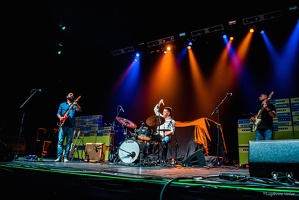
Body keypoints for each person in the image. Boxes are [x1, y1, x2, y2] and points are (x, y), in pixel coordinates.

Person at [55, 92, 82, 162]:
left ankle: (65, 157)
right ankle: (59, 157)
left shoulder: (74, 105)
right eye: (70, 94)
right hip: (63, 125)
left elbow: (80, 110)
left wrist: (77, 105)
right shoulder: (62, 104)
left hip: (71, 126)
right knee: (60, 141)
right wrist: (60, 117)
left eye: (73, 95)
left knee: (68, 142)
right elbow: (58, 113)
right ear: (67, 96)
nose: (72, 95)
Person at [152, 99, 175, 163]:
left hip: (166, 136)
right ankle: (149, 158)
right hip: (158, 135)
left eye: (164, 112)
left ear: (168, 113)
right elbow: (155, 110)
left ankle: (163, 158)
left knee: (165, 141)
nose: (163, 112)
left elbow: (172, 131)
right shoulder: (160, 118)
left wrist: (164, 135)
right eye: (163, 111)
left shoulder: (172, 121)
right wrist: (159, 102)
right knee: (148, 139)